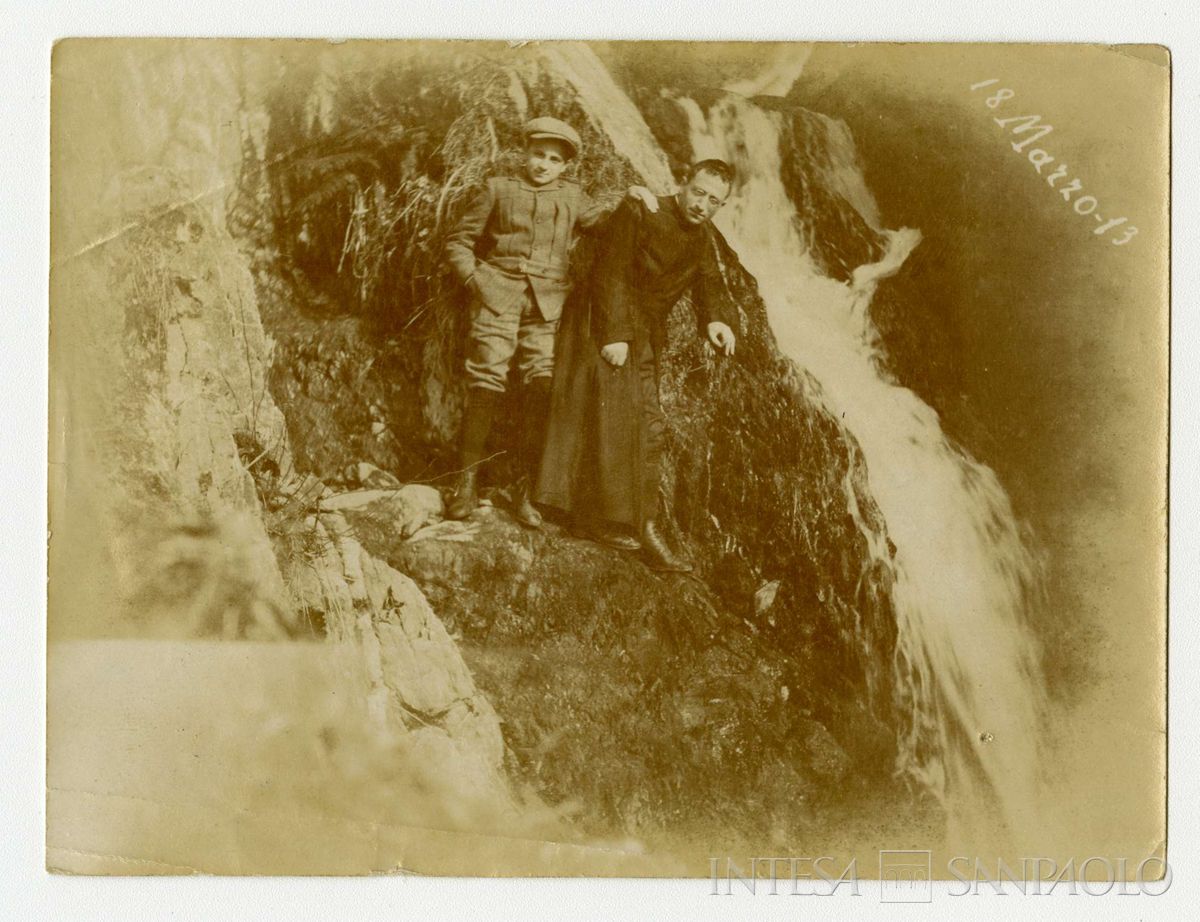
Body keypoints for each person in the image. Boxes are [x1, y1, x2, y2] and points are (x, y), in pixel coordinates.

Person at [442, 116, 656, 527]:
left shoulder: (574, 197)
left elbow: (604, 225)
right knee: (486, 380)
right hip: (497, 296)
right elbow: (459, 240)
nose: (542, 164)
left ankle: (523, 489)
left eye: (553, 159)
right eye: (537, 154)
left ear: (565, 166)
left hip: (547, 305)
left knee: (541, 388)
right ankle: (465, 483)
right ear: (525, 152)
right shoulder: (498, 189)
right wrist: (473, 278)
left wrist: (632, 200)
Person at [535, 160, 740, 572]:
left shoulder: (702, 236)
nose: (702, 205)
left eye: (714, 201)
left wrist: (717, 319)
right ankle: (599, 520)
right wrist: (615, 335)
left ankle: (642, 526)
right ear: (683, 184)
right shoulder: (641, 211)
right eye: (698, 192)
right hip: (603, 322)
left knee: (649, 424)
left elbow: (709, 280)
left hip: (644, 333)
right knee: (615, 417)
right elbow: (609, 271)